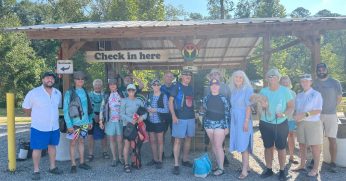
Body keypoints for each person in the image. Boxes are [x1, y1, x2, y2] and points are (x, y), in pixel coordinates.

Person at [22, 72, 63, 180]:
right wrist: (36, 117)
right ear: (43, 80)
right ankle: (36, 171)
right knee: (37, 149)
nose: (50, 80)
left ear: (54, 80)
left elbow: (56, 107)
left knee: (52, 146)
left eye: (52, 78)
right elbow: (26, 108)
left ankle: (52, 167)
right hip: (39, 127)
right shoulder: (34, 93)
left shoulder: (58, 93)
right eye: (47, 78)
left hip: (54, 126)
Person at [259, 68, 294, 181]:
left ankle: (282, 170)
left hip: (281, 124)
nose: (272, 78)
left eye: (274, 76)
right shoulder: (263, 91)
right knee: (268, 147)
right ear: (267, 79)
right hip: (265, 123)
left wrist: (284, 114)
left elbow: (291, 107)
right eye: (269, 76)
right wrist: (262, 107)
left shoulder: (285, 91)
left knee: (281, 148)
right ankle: (269, 169)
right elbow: (259, 108)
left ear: (278, 78)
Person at [313, 63, 343, 172]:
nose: (321, 71)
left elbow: (339, 98)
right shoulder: (313, 83)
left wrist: (331, 107)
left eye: (323, 69)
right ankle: (314, 160)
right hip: (316, 115)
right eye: (319, 69)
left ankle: (333, 162)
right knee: (316, 139)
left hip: (331, 114)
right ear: (317, 71)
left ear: (326, 70)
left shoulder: (335, 82)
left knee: (332, 139)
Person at [293, 74, 323, 177]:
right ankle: (302, 165)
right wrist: (295, 117)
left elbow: (318, 110)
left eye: (307, 81)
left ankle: (315, 169)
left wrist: (305, 114)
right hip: (301, 123)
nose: (304, 83)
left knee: (315, 146)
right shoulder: (299, 95)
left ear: (311, 82)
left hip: (313, 123)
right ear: (301, 83)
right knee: (301, 145)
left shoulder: (316, 94)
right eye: (302, 81)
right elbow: (296, 110)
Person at [63, 71, 93, 173]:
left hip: (84, 123)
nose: (80, 80)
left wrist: (90, 121)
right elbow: (66, 110)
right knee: (73, 143)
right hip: (74, 124)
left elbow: (89, 108)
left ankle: (82, 162)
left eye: (82, 79)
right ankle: (73, 164)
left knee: (81, 141)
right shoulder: (69, 93)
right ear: (75, 80)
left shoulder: (85, 91)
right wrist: (69, 124)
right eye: (78, 79)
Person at [169, 70, 195, 175]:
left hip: (191, 117)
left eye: (189, 75)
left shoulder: (191, 88)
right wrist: (173, 115)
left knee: (188, 139)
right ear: (182, 77)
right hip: (179, 118)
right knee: (178, 141)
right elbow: (170, 101)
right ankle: (176, 164)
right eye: (186, 75)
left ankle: (185, 160)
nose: (188, 76)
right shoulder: (176, 86)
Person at [203, 68, 231, 166]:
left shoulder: (226, 87)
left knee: (220, 142)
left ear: (219, 75)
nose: (214, 76)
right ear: (210, 77)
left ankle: (223, 159)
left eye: (216, 74)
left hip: (222, 120)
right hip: (210, 121)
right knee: (214, 143)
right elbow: (205, 105)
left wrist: (227, 123)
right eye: (212, 75)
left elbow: (229, 104)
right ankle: (219, 161)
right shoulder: (206, 88)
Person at [229, 70, 254, 179]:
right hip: (235, 119)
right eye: (236, 77)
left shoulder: (247, 90)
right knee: (239, 141)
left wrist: (246, 121)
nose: (238, 79)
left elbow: (248, 106)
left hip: (243, 119)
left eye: (240, 77)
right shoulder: (233, 90)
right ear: (233, 79)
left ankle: (244, 171)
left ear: (243, 79)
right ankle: (247, 166)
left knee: (244, 144)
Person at [120, 84, 147, 173]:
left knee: (136, 145)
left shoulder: (139, 101)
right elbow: (121, 114)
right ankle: (126, 164)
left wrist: (141, 118)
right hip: (127, 126)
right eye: (129, 90)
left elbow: (145, 113)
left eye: (133, 90)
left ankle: (135, 161)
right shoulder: (124, 101)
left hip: (137, 126)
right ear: (127, 91)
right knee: (127, 144)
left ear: (135, 91)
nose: (131, 92)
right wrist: (130, 120)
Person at [99, 79, 124, 167]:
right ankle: (114, 158)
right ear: (109, 86)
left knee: (120, 140)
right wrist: (101, 120)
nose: (112, 86)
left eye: (114, 84)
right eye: (111, 84)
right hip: (109, 121)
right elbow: (102, 108)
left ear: (117, 85)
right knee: (112, 140)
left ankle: (121, 157)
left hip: (120, 120)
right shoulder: (106, 95)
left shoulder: (121, 94)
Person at [146, 79, 169, 169]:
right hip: (150, 121)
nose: (155, 86)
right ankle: (155, 159)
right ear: (152, 86)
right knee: (152, 141)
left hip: (160, 121)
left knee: (160, 141)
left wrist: (155, 110)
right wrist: (147, 108)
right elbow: (145, 105)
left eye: (157, 84)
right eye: (154, 84)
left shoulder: (163, 96)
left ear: (160, 86)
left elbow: (166, 110)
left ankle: (160, 160)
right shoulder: (149, 95)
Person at [87, 79, 109, 162]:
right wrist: (94, 116)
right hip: (91, 117)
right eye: (96, 84)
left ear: (101, 86)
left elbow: (106, 106)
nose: (97, 86)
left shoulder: (104, 95)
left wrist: (101, 116)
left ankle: (105, 152)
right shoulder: (89, 95)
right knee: (90, 136)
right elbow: (88, 107)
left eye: (99, 84)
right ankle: (90, 154)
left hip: (102, 117)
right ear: (93, 86)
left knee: (104, 135)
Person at [280, 76, 298, 165]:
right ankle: (280, 157)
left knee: (291, 136)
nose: (285, 83)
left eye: (287, 82)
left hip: (290, 119)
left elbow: (296, 106)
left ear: (289, 82)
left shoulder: (293, 93)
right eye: (283, 82)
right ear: (280, 83)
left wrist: (296, 115)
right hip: (280, 120)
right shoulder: (278, 93)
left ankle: (291, 155)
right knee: (281, 138)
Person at [160, 71, 175, 157]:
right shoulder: (160, 88)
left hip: (174, 114)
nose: (169, 78)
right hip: (164, 114)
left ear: (172, 78)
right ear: (164, 78)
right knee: (162, 134)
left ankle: (174, 152)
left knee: (174, 134)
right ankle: (161, 152)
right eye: (167, 76)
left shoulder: (176, 87)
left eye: (170, 77)